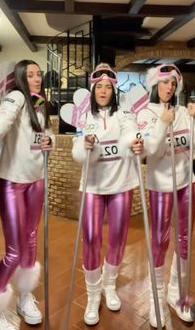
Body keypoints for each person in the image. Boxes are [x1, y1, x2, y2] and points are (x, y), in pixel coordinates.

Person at [133, 63, 195, 328]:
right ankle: (157, 298)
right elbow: (150, 152)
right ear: (155, 85)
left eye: (173, 84)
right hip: (160, 184)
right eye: (164, 83)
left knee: (185, 239)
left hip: (188, 181)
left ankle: (179, 294)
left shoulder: (184, 113)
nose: (169, 88)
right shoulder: (145, 114)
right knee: (159, 241)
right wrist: (163, 124)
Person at [0, 60, 54, 330]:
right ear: (21, 78)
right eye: (31, 75)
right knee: (14, 251)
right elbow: (1, 125)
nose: (36, 79)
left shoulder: (39, 103)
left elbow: (45, 136)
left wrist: (50, 142)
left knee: (32, 241)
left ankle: (25, 297)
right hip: (12, 183)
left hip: (36, 181)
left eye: (39, 74)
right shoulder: (14, 98)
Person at [72, 63, 144, 326]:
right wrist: (84, 144)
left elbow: (130, 130)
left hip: (122, 183)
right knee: (91, 237)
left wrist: (135, 141)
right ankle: (92, 295)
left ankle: (109, 286)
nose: (103, 91)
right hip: (92, 184)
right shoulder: (84, 115)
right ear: (93, 90)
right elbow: (76, 150)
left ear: (114, 90)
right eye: (99, 86)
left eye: (108, 87)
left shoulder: (124, 111)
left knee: (117, 237)